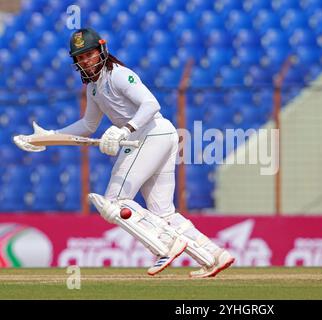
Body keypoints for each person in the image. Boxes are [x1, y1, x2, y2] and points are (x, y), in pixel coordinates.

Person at [13, 28, 234, 278]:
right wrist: (49, 137)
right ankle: (213, 255)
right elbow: (87, 126)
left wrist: (126, 129)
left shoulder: (118, 75)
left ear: (102, 51)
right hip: (153, 137)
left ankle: (165, 244)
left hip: (152, 133)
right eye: (80, 57)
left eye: (90, 54)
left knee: (114, 201)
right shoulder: (93, 89)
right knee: (164, 212)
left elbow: (151, 104)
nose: (86, 60)